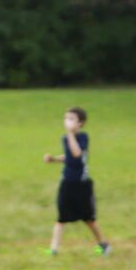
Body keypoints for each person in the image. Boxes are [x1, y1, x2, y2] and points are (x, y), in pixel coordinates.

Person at [44, 106, 110, 257]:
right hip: (67, 182)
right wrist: (54, 159)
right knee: (61, 218)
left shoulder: (83, 137)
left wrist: (70, 134)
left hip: (82, 184)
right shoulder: (66, 138)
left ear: (81, 123)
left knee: (89, 219)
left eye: (71, 119)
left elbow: (77, 153)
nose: (67, 121)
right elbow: (69, 157)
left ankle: (103, 245)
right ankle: (54, 250)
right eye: (66, 118)